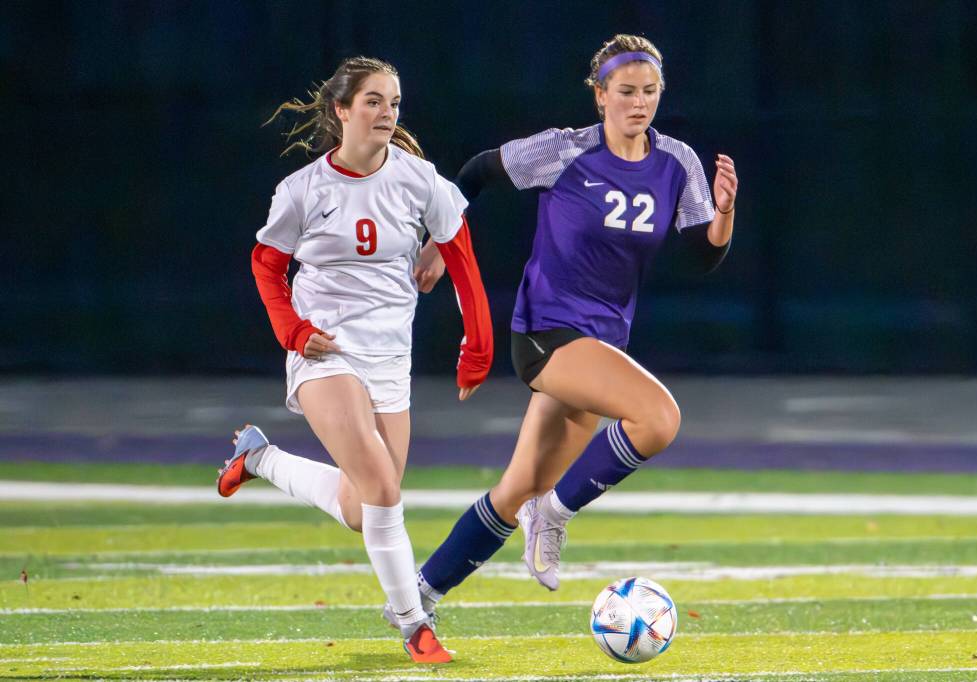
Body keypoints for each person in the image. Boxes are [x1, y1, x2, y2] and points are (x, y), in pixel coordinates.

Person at [387, 34, 738, 620]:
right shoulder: (565, 152)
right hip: (546, 332)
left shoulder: (677, 162)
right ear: (600, 95)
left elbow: (703, 255)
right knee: (658, 418)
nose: (639, 102)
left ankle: (416, 596)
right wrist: (439, 244)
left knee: (513, 490)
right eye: (625, 91)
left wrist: (724, 213)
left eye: (650, 91)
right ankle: (554, 513)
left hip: (601, 344)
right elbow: (475, 173)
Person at [215, 56, 493, 664]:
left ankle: (258, 457)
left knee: (360, 507)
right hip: (325, 354)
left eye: (393, 102)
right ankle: (413, 623)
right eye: (373, 101)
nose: (387, 113)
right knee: (384, 488)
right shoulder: (303, 190)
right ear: (341, 110)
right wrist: (293, 329)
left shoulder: (420, 180)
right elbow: (267, 265)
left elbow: (461, 256)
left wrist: (479, 344)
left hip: (391, 357)